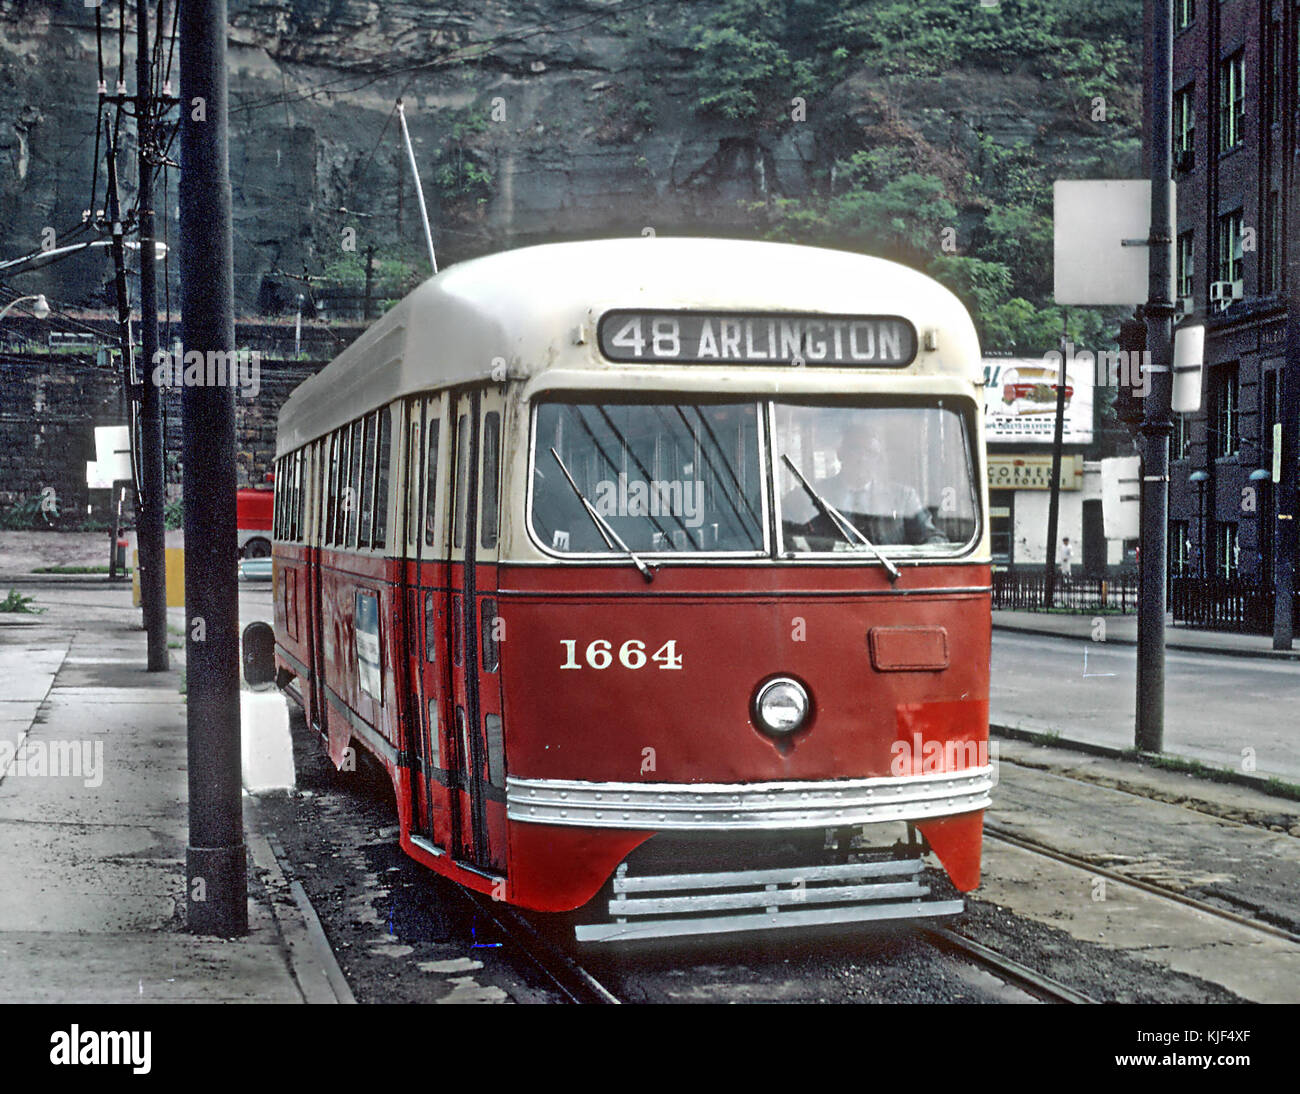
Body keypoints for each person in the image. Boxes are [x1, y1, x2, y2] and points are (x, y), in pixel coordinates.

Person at [783, 427, 946, 546]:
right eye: (856, 450)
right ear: (841, 454)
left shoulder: (903, 497)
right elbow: (781, 529)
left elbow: (932, 538)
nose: (862, 459)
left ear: (878, 459)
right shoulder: (811, 496)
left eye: (870, 453)